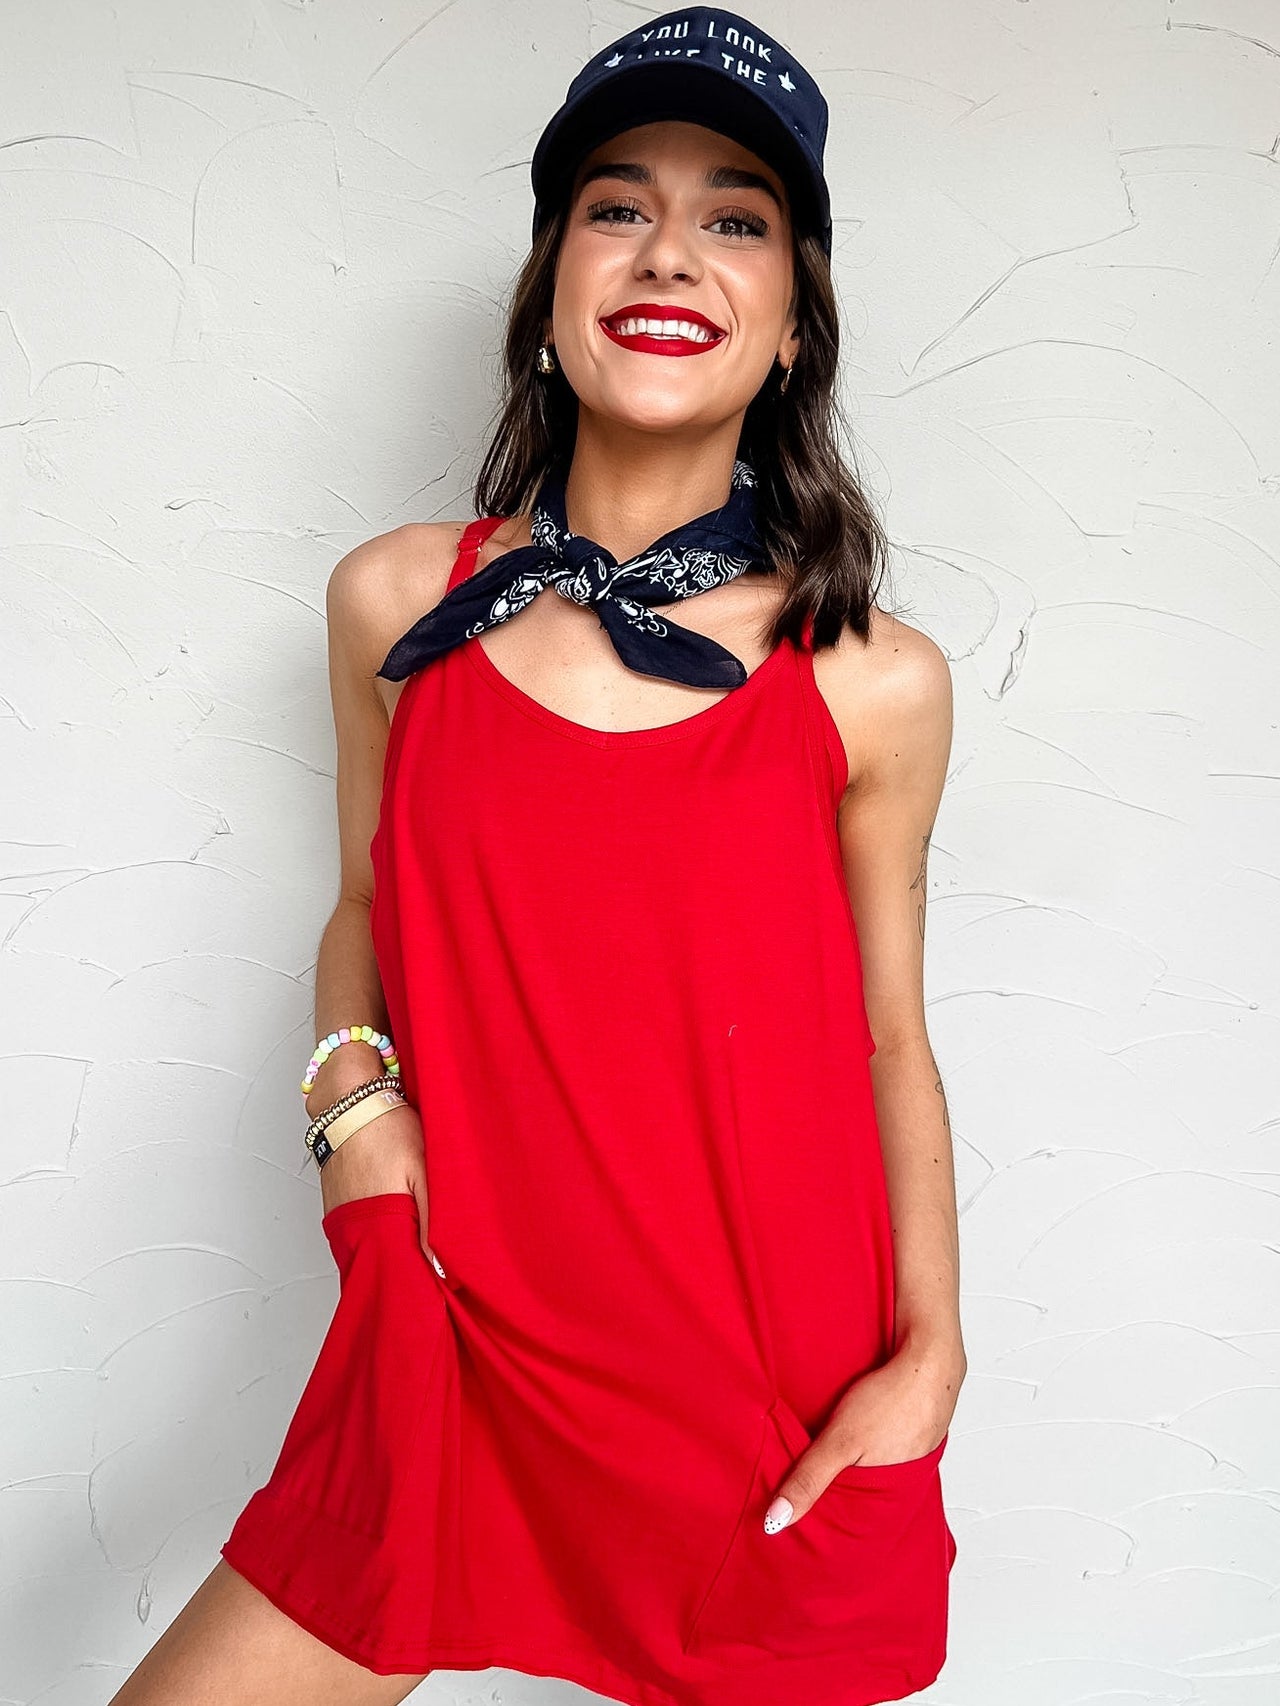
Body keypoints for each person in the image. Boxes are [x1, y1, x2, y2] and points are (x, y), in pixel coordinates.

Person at [108, 9, 965, 1706]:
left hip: (761, 1417)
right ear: (551, 293)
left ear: (794, 329)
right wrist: (356, 1124)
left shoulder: (870, 678)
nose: (672, 248)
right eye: (615, 203)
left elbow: (886, 1040)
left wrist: (931, 1356)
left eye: (739, 218)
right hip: (453, 1349)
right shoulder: (395, 606)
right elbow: (361, 911)